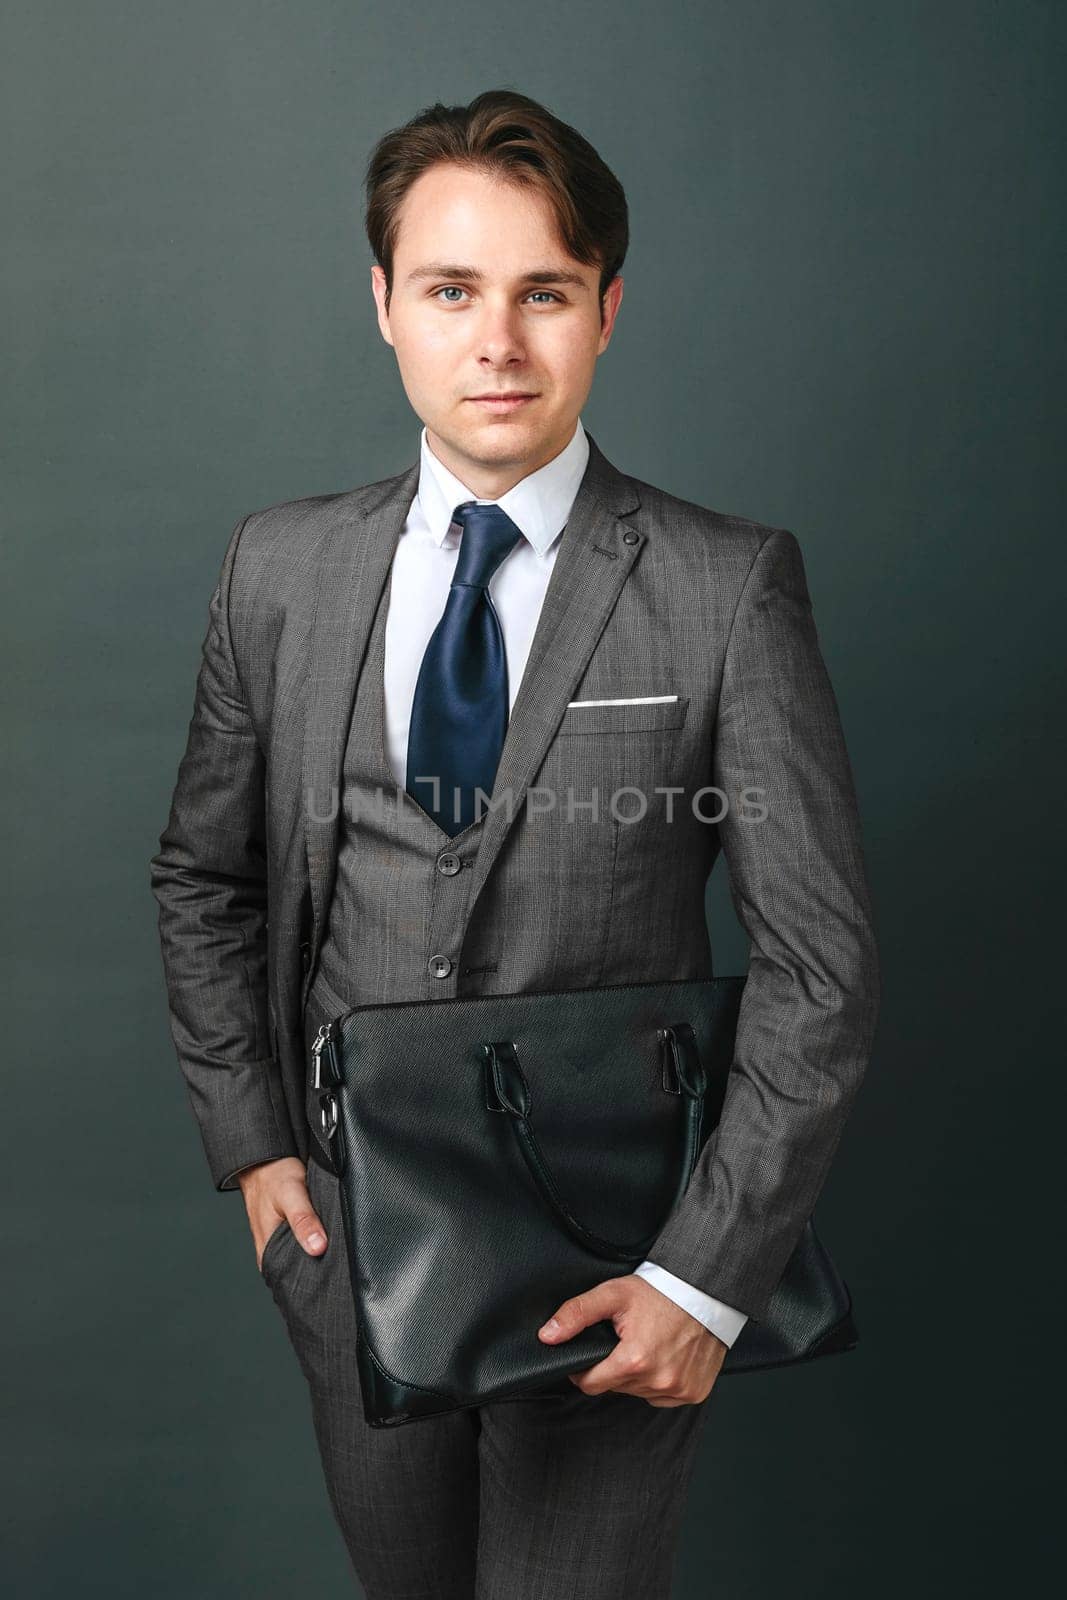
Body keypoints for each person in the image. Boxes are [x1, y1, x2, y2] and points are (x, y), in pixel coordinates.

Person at [151, 87, 880, 1599]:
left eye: (542, 292)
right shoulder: (278, 571)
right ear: (385, 307)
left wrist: (701, 1281)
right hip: (353, 1251)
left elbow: (823, 969)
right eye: (452, 291)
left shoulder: (725, 587)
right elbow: (204, 877)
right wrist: (255, 1147)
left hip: (616, 1268)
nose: (497, 341)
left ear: (607, 309)